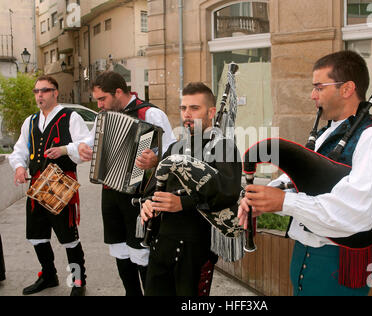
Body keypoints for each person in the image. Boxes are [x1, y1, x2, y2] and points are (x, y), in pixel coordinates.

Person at [238, 51, 372, 296]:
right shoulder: (326, 134)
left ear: (347, 89)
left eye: (319, 87)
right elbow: (303, 179)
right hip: (304, 252)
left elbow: (355, 212)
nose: (312, 95)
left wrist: (284, 201)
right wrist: (264, 197)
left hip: (339, 262)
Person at [77, 71, 176, 296]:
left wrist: (156, 158)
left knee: (142, 251)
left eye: (102, 99)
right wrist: (82, 148)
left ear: (118, 92)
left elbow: (172, 151)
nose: (99, 105)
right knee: (119, 249)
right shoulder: (104, 116)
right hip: (110, 192)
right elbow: (88, 141)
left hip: (140, 195)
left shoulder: (150, 113)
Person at [140, 82, 242, 296]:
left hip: (195, 250)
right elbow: (154, 188)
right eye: (183, 108)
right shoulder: (174, 147)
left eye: (194, 108)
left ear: (211, 112)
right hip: (161, 246)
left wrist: (182, 203)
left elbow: (228, 194)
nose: (187, 114)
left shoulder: (224, 147)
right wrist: (148, 203)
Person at [8, 75, 90, 296]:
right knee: (37, 235)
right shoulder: (30, 121)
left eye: (44, 90)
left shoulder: (70, 117)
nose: (40, 95)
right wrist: (18, 167)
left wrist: (65, 149)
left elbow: (86, 145)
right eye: (36, 91)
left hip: (61, 185)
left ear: (55, 92)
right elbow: (19, 150)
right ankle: (48, 275)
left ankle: (78, 281)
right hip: (36, 187)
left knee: (68, 238)